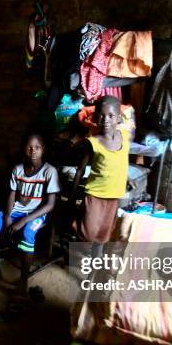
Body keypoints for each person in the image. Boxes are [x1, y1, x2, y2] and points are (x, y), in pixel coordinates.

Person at [0, 133, 60, 297]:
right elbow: (11, 195)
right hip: (16, 210)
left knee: (28, 234)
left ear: (43, 149)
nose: (33, 151)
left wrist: (23, 222)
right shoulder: (18, 169)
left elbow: (50, 204)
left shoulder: (50, 172)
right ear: (23, 149)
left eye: (37, 147)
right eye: (29, 147)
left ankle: (23, 280)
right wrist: (7, 217)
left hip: (37, 213)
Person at [70, 96, 130, 257]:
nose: (105, 120)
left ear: (118, 118)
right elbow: (81, 170)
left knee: (103, 237)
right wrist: (72, 196)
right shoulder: (93, 142)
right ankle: (78, 224)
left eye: (110, 116)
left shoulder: (124, 136)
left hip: (114, 195)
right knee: (88, 235)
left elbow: (121, 162)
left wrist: (126, 179)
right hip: (95, 195)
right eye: (101, 115)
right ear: (96, 117)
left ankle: (93, 272)